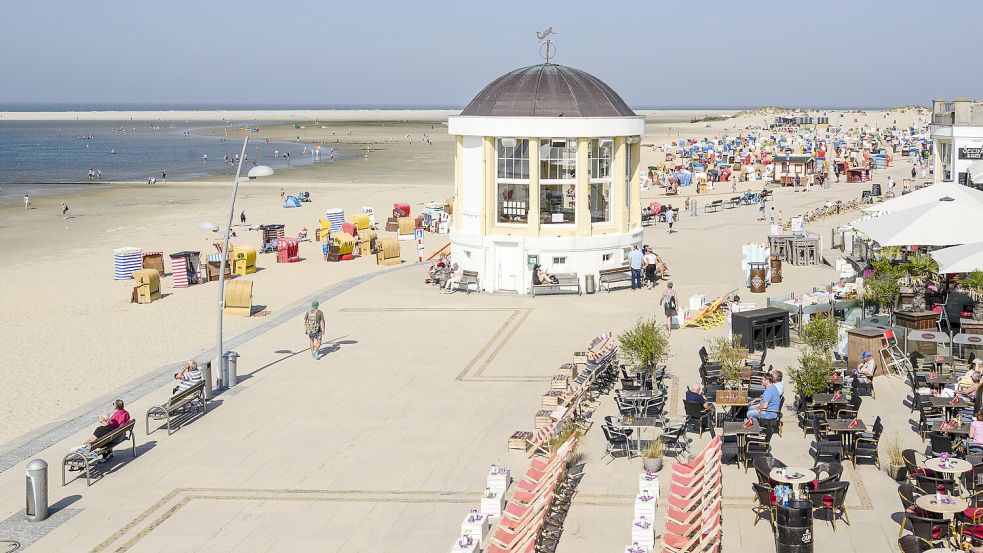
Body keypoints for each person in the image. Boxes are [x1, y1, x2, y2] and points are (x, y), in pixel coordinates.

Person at [73, 400, 131, 464]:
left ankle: (105, 456)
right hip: (121, 435)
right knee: (106, 437)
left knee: (103, 437)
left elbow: (91, 440)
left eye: (114, 404)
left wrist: (83, 444)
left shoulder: (101, 428)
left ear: (116, 406)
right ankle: (109, 454)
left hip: (116, 438)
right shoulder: (126, 413)